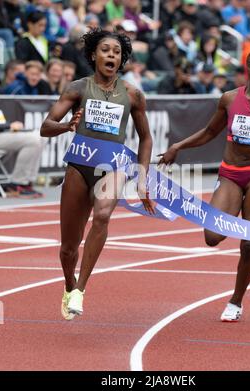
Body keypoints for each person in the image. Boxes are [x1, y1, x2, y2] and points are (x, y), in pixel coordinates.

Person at [158, 48, 250, 322]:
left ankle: (236, 301)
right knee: (212, 236)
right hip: (231, 174)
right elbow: (210, 132)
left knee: (249, 245)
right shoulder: (229, 99)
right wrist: (178, 146)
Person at [40, 28, 154, 320]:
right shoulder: (78, 88)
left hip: (113, 166)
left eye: (116, 52)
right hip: (79, 166)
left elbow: (146, 138)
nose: (111, 56)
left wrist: (141, 177)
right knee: (68, 248)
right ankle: (69, 284)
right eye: (105, 50)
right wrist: (67, 126)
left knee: (103, 215)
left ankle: (80, 288)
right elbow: (46, 126)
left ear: (122, 59)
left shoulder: (132, 93)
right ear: (93, 55)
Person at [0, 110, 43, 198]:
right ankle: (18, 183)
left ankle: (27, 182)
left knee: (42, 136)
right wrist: (9, 125)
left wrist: (8, 125)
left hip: (2, 132)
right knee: (33, 140)